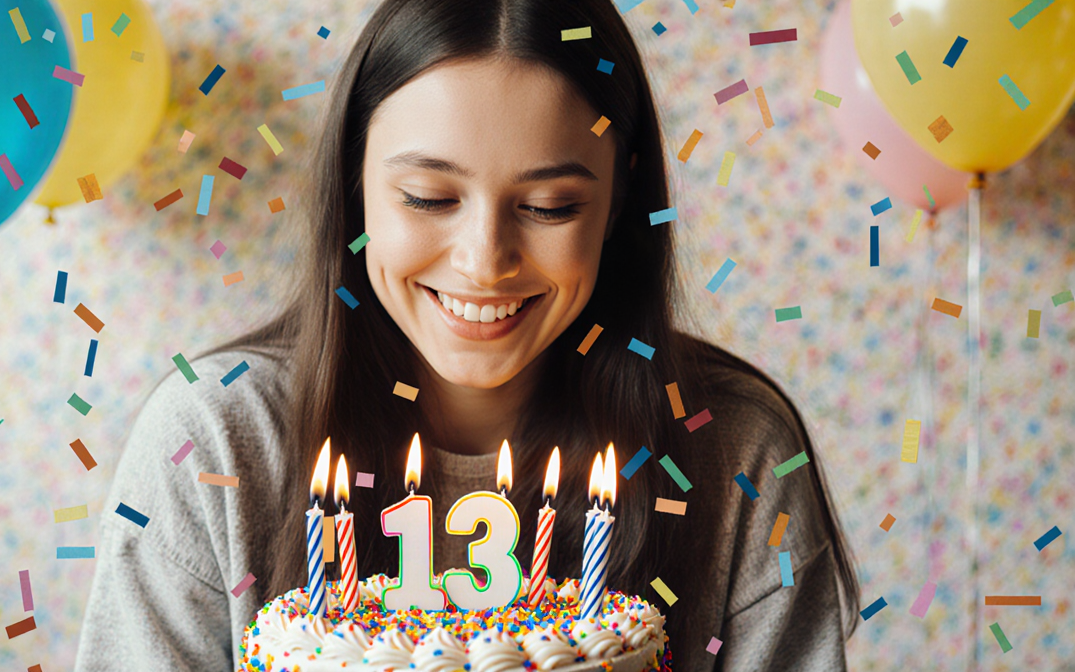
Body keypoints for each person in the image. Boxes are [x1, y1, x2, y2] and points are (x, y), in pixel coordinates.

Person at [74, 0, 861, 669]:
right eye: (427, 197)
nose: (485, 262)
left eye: (551, 206)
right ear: (355, 186)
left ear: (620, 199)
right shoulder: (213, 441)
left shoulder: (734, 455)